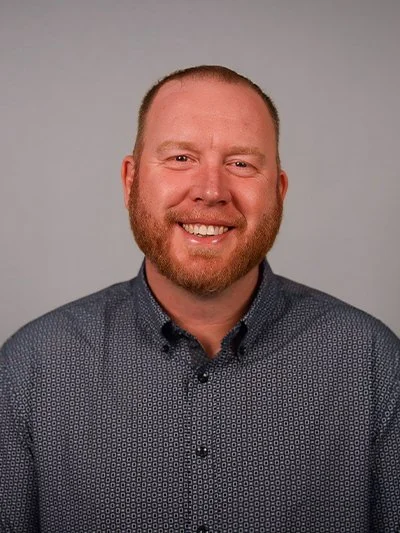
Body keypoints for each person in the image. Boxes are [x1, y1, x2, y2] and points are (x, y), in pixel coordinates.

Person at [0, 65, 399, 533]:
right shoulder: (28, 369)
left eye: (241, 164)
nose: (211, 192)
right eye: (181, 159)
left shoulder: (374, 364)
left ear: (279, 192)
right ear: (130, 182)